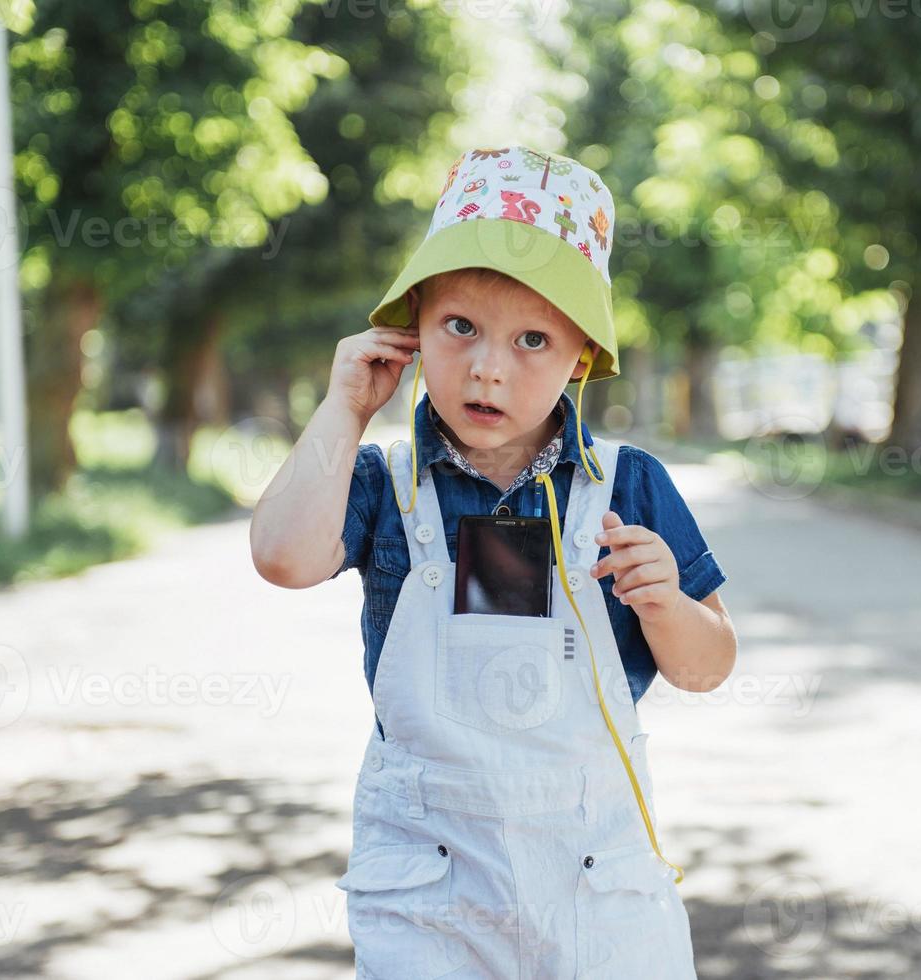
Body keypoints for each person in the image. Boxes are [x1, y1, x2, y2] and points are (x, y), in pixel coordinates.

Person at [249, 144, 737, 978]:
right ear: (411, 328)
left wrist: (667, 607)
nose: (487, 366)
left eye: (532, 340)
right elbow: (284, 559)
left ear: (581, 357)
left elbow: (706, 669)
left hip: (595, 886)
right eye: (460, 326)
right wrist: (343, 410)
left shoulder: (627, 486)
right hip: (430, 891)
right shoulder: (381, 484)